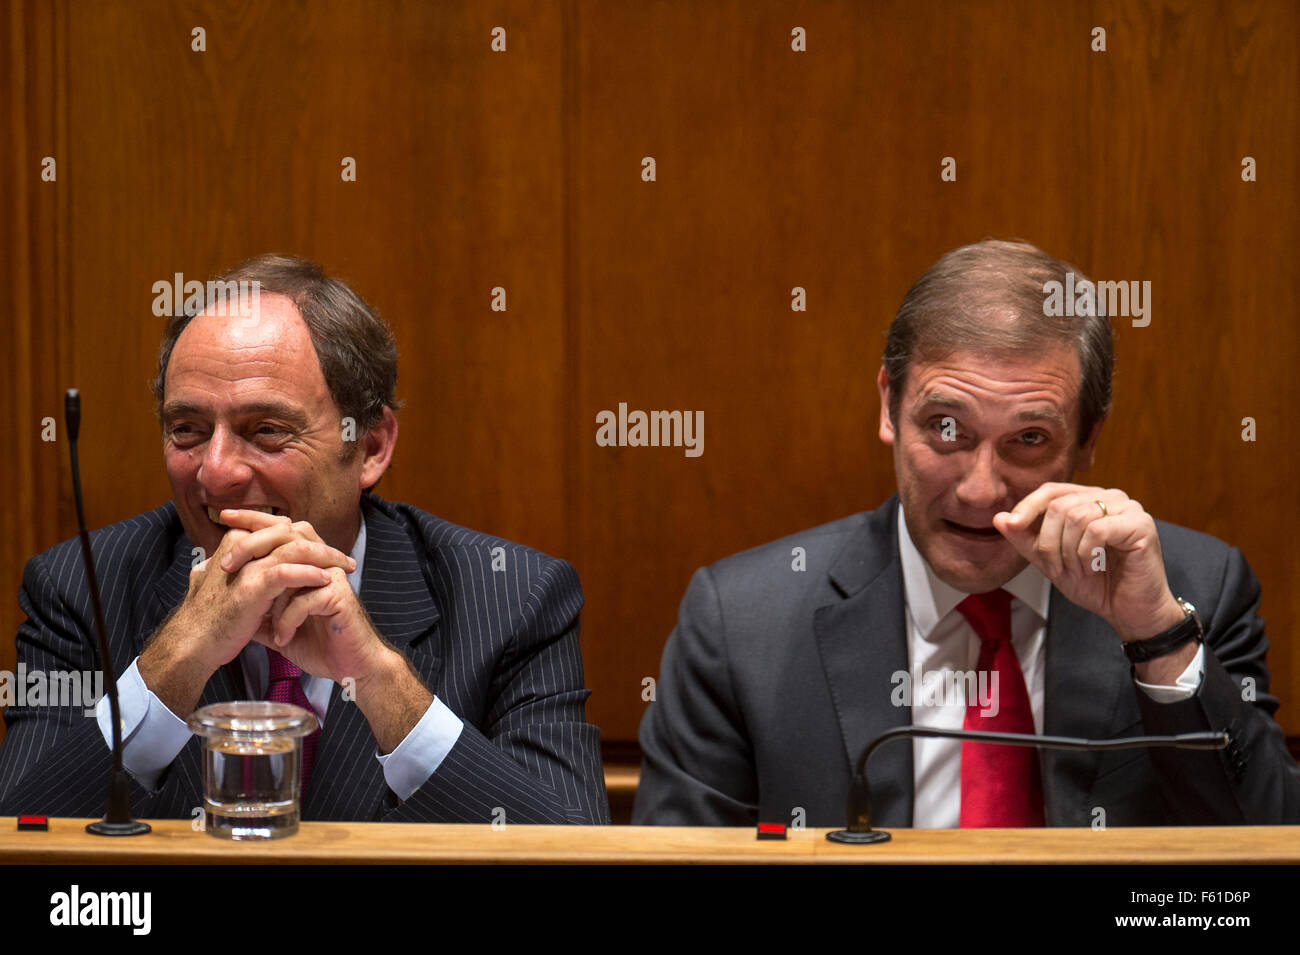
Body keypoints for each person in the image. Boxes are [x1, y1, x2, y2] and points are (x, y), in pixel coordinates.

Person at [634, 239, 1300, 828]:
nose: (982, 489)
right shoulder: (741, 624)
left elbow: (1263, 846)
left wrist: (1157, 637)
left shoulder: (1195, 591)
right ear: (888, 406)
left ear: (1089, 438)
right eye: (946, 428)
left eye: (1029, 439)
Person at [0, 255, 609, 824]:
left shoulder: (512, 597)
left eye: (265, 431)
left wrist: (377, 680)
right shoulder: (82, 586)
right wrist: (175, 660)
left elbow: (576, 858)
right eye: (186, 429)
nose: (215, 471)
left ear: (369, 447)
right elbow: (21, 834)